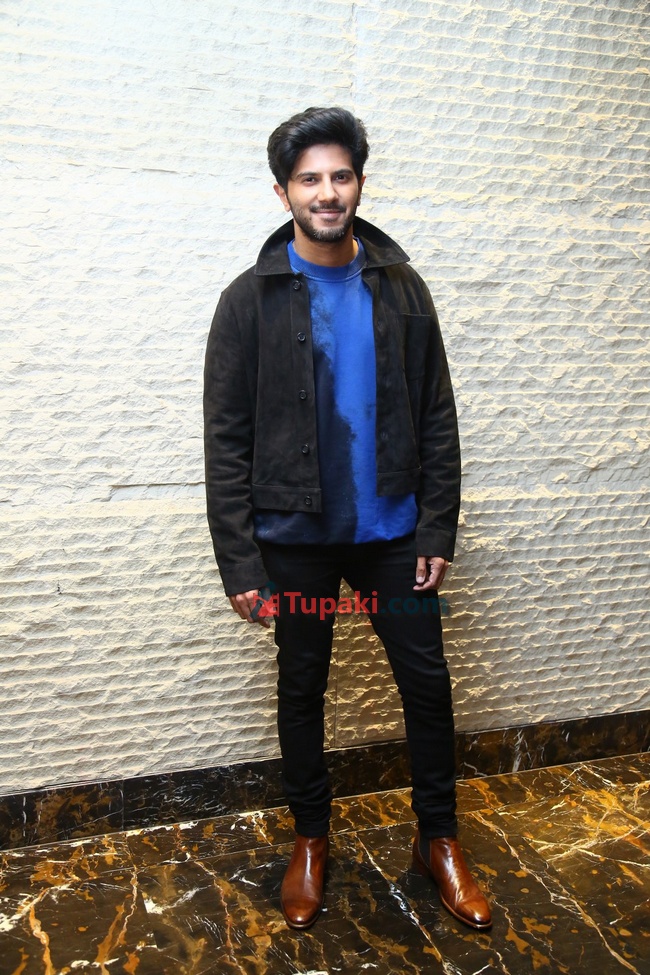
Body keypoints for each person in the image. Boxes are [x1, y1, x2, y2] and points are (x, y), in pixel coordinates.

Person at [203, 106, 491, 933]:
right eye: (309, 179)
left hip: (393, 534)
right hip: (293, 541)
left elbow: (437, 414)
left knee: (427, 684)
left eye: (340, 176)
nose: (326, 192)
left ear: (359, 183)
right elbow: (225, 439)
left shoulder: (402, 289)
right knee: (302, 685)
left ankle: (439, 839)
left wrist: (436, 527)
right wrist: (241, 563)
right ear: (283, 191)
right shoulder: (248, 301)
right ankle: (310, 840)